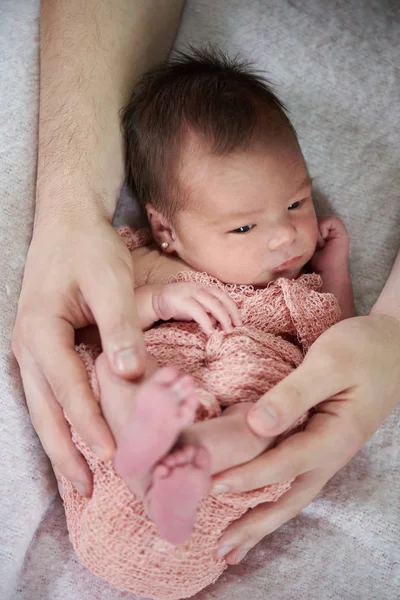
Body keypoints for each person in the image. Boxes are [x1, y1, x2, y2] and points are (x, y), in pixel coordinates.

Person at [12, 0, 400, 572]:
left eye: (296, 202)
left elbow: (335, 342)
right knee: (119, 368)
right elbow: (96, 320)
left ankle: (183, 462)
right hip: (129, 441)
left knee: (262, 425)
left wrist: (335, 267)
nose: (283, 238)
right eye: (243, 226)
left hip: (219, 473)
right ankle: (150, 443)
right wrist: (159, 300)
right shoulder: (142, 260)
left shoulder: (295, 288)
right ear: (166, 229)